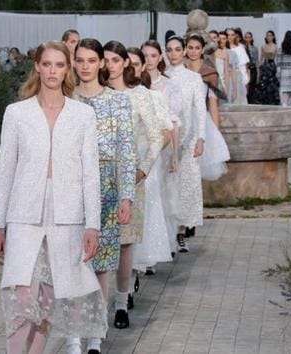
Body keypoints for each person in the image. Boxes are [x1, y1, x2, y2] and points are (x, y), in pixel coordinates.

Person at [0, 40, 107, 354]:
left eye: (59, 65)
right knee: (22, 296)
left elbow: (90, 174)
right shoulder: (17, 114)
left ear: (67, 69)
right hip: (23, 214)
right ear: (38, 67)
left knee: (50, 297)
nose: (52, 71)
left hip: (68, 216)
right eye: (47, 64)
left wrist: (92, 225)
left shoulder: (83, 115)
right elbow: (5, 170)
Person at [70, 37, 136, 354]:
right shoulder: (65, 99)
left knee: (100, 266)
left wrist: (126, 197)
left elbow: (127, 150)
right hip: (69, 189)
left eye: (91, 60)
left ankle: (95, 337)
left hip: (107, 187)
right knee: (70, 263)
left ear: (101, 63)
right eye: (79, 60)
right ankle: (71, 338)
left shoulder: (119, 101)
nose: (85, 66)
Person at [104, 40, 164, 329]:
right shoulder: (93, 94)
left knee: (125, 243)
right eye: (106, 59)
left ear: (125, 63)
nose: (110, 65)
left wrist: (142, 169)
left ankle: (120, 303)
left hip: (130, 179)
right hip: (98, 180)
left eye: (115, 59)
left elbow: (156, 137)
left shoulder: (140, 96)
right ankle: (96, 305)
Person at [127, 46, 174, 277]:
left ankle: (138, 265)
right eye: (129, 64)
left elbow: (165, 131)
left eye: (136, 64)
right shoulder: (109, 94)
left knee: (145, 214)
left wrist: (148, 157)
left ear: (143, 66)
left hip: (146, 165)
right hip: (120, 165)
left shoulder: (152, 96)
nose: (131, 68)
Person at [164, 31, 207, 251]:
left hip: (189, 140)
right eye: (169, 50)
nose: (173, 54)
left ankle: (181, 231)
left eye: (178, 49)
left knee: (186, 186)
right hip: (166, 140)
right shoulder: (161, 77)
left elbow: (200, 110)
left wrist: (201, 138)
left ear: (184, 52)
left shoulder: (193, 78)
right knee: (169, 186)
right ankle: (169, 233)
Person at [141, 39, 183, 258]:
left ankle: (164, 243)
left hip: (163, 147)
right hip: (142, 146)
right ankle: (147, 250)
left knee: (163, 196)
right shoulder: (135, 84)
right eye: (145, 55)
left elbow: (173, 122)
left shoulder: (168, 85)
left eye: (153, 55)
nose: (149, 60)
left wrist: (175, 154)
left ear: (160, 58)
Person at [185, 34, 230, 181]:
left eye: (197, 48)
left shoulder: (209, 73)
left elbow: (213, 105)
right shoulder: (181, 71)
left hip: (201, 121)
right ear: (185, 49)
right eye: (190, 47)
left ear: (202, 49)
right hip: (183, 120)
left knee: (198, 166)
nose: (193, 51)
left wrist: (215, 133)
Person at [256, 31, 281, 105]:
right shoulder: (263, 46)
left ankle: (273, 101)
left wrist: (278, 70)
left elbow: (277, 58)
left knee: (272, 84)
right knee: (264, 84)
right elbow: (261, 58)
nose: (269, 37)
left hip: (272, 66)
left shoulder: (275, 46)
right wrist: (259, 69)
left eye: (270, 35)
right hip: (265, 66)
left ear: (273, 37)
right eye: (267, 36)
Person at [226, 28, 250, 104]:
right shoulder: (221, 49)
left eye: (232, 35)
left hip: (237, 79)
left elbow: (243, 66)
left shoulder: (240, 49)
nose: (230, 37)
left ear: (235, 36)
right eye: (228, 35)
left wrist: (245, 80)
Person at [215, 31, 233, 99]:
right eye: (219, 38)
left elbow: (226, 72)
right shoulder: (207, 53)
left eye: (223, 38)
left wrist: (227, 87)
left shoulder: (225, 53)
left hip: (221, 82)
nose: (221, 40)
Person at [245, 31, 259, 103]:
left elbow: (256, 60)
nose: (247, 39)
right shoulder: (243, 47)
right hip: (246, 68)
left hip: (253, 69)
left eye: (249, 37)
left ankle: (252, 101)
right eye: (246, 37)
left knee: (252, 87)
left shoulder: (255, 48)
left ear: (251, 38)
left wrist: (258, 72)